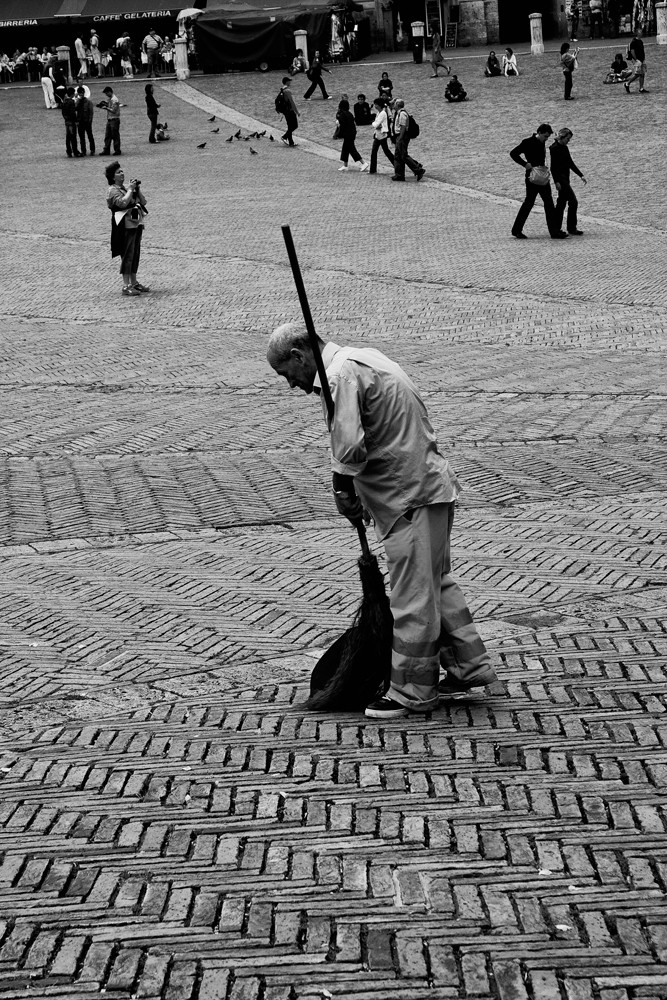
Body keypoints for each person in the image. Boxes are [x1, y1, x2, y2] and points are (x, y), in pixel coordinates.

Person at [266, 324, 497, 719]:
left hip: (407, 497)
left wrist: (342, 489)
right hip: (429, 489)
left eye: (287, 375)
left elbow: (350, 443)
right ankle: (466, 668)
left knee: (413, 597)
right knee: (435, 583)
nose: (291, 385)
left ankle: (412, 691)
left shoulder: (340, 375)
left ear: (299, 356)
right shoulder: (363, 357)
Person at [510, 123, 567, 239]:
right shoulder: (527, 142)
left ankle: (554, 231)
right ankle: (516, 230)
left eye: (547, 137)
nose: (546, 139)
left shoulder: (542, 142)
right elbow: (513, 153)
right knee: (529, 203)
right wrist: (525, 164)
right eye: (545, 136)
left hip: (542, 176)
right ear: (539, 133)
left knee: (549, 204)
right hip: (532, 177)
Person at [105, 161, 149, 296]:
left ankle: (134, 282)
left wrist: (137, 190)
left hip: (135, 223)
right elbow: (122, 202)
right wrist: (130, 190)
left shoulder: (125, 187)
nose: (122, 173)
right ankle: (126, 285)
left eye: (122, 171)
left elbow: (143, 202)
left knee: (135, 253)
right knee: (127, 254)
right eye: (118, 172)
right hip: (124, 225)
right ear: (113, 177)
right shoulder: (112, 190)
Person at [550, 127, 586, 236]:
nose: (568, 141)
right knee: (573, 202)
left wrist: (580, 175)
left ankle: (557, 228)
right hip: (561, 179)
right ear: (562, 137)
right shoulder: (554, 148)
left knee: (561, 203)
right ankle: (570, 227)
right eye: (567, 138)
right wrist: (556, 182)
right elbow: (553, 167)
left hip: (566, 178)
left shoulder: (564, 148)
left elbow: (570, 162)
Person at [390, 99, 424, 182]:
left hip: (402, 137)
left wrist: (400, 138)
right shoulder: (399, 113)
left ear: (398, 105)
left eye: (395, 104)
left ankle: (418, 169)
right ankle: (399, 175)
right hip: (399, 136)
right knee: (398, 156)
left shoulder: (402, 114)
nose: (393, 106)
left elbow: (403, 127)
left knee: (403, 155)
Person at [336, 98, 368, 171]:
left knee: (351, 149)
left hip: (348, 134)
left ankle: (363, 163)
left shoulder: (343, 114)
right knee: (345, 149)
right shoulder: (349, 113)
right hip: (351, 133)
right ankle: (345, 165)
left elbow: (343, 125)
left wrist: (339, 126)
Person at [368, 97, 395, 174]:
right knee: (375, 151)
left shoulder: (382, 113)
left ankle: (397, 165)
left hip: (381, 136)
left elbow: (376, 124)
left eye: (376, 104)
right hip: (378, 135)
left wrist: (373, 123)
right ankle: (372, 169)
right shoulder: (379, 113)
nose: (375, 106)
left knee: (386, 151)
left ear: (379, 105)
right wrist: (375, 124)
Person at [98, 85, 121, 156]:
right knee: (108, 136)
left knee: (115, 136)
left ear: (110, 92)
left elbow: (114, 110)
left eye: (107, 93)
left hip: (114, 119)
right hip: (110, 119)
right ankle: (107, 149)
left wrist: (106, 108)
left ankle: (117, 150)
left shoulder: (115, 100)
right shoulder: (110, 99)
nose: (106, 95)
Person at [61, 87, 81, 158]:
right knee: (73, 137)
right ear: (72, 94)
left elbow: (63, 112)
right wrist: (76, 121)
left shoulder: (64, 101)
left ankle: (69, 151)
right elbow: (73, 113)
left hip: (67, 121)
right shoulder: (71, 102)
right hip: (71, 122)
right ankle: (75, 151)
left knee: (68, 137)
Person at [279, 76, 299, 146]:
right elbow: (291, 102)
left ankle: (291, 142)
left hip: (285, 111)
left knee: (290, 126)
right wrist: (297, 111)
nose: (290, 82)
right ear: (287, 82)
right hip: (289, 110)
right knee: (295, 125)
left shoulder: (282, 90)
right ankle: (284, 136)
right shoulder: (287, 91)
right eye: (289, 81)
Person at [76, 85, 95, 155]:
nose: (81, 94)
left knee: (90, 136)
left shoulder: (88, 102)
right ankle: (83, 150)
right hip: (80, 121)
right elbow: (76, 109)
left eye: (81, 93)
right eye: (79, 93)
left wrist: (90, 121)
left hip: (86, 121)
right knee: (82, 137)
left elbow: (91, 112)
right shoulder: (77, 101)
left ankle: (92, 150)